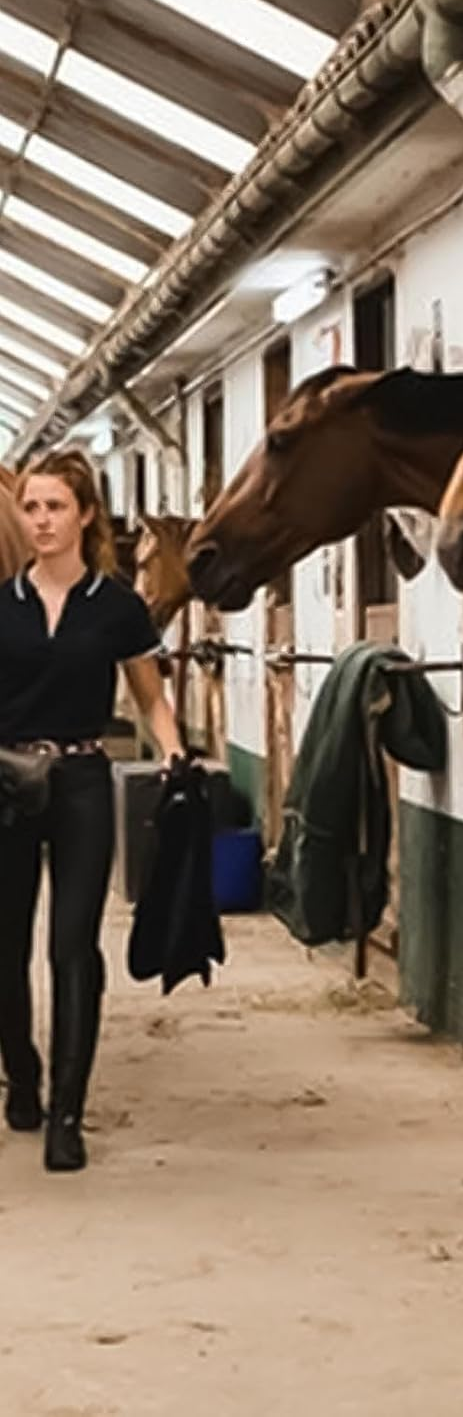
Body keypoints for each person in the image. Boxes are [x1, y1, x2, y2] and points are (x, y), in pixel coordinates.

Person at [0, 450, 183, 1172]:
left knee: (72, 947)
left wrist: (172, 749)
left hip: (80, 780)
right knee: (3, 948)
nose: (41, 521)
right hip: (5, 782)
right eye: (31, 508)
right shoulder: (0, 604)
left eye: (54, 507)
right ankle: (21, 1072)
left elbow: (148, 696)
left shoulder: (117, 607)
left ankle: (67, 1116)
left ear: (83, 516)